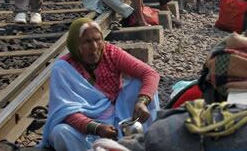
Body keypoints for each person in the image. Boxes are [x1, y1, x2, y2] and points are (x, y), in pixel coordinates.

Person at [41, 18, 159, 151]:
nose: (95, 47)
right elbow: (66, 112)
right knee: (60, 132)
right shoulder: (63, 68)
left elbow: (150, 73)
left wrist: (142, 101)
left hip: (117, 115)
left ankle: (148, 141)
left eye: (98, 39)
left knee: (140, 84)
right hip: (85, 127)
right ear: (75, 45)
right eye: (87, 42)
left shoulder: (111, 53)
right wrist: (96, 128)